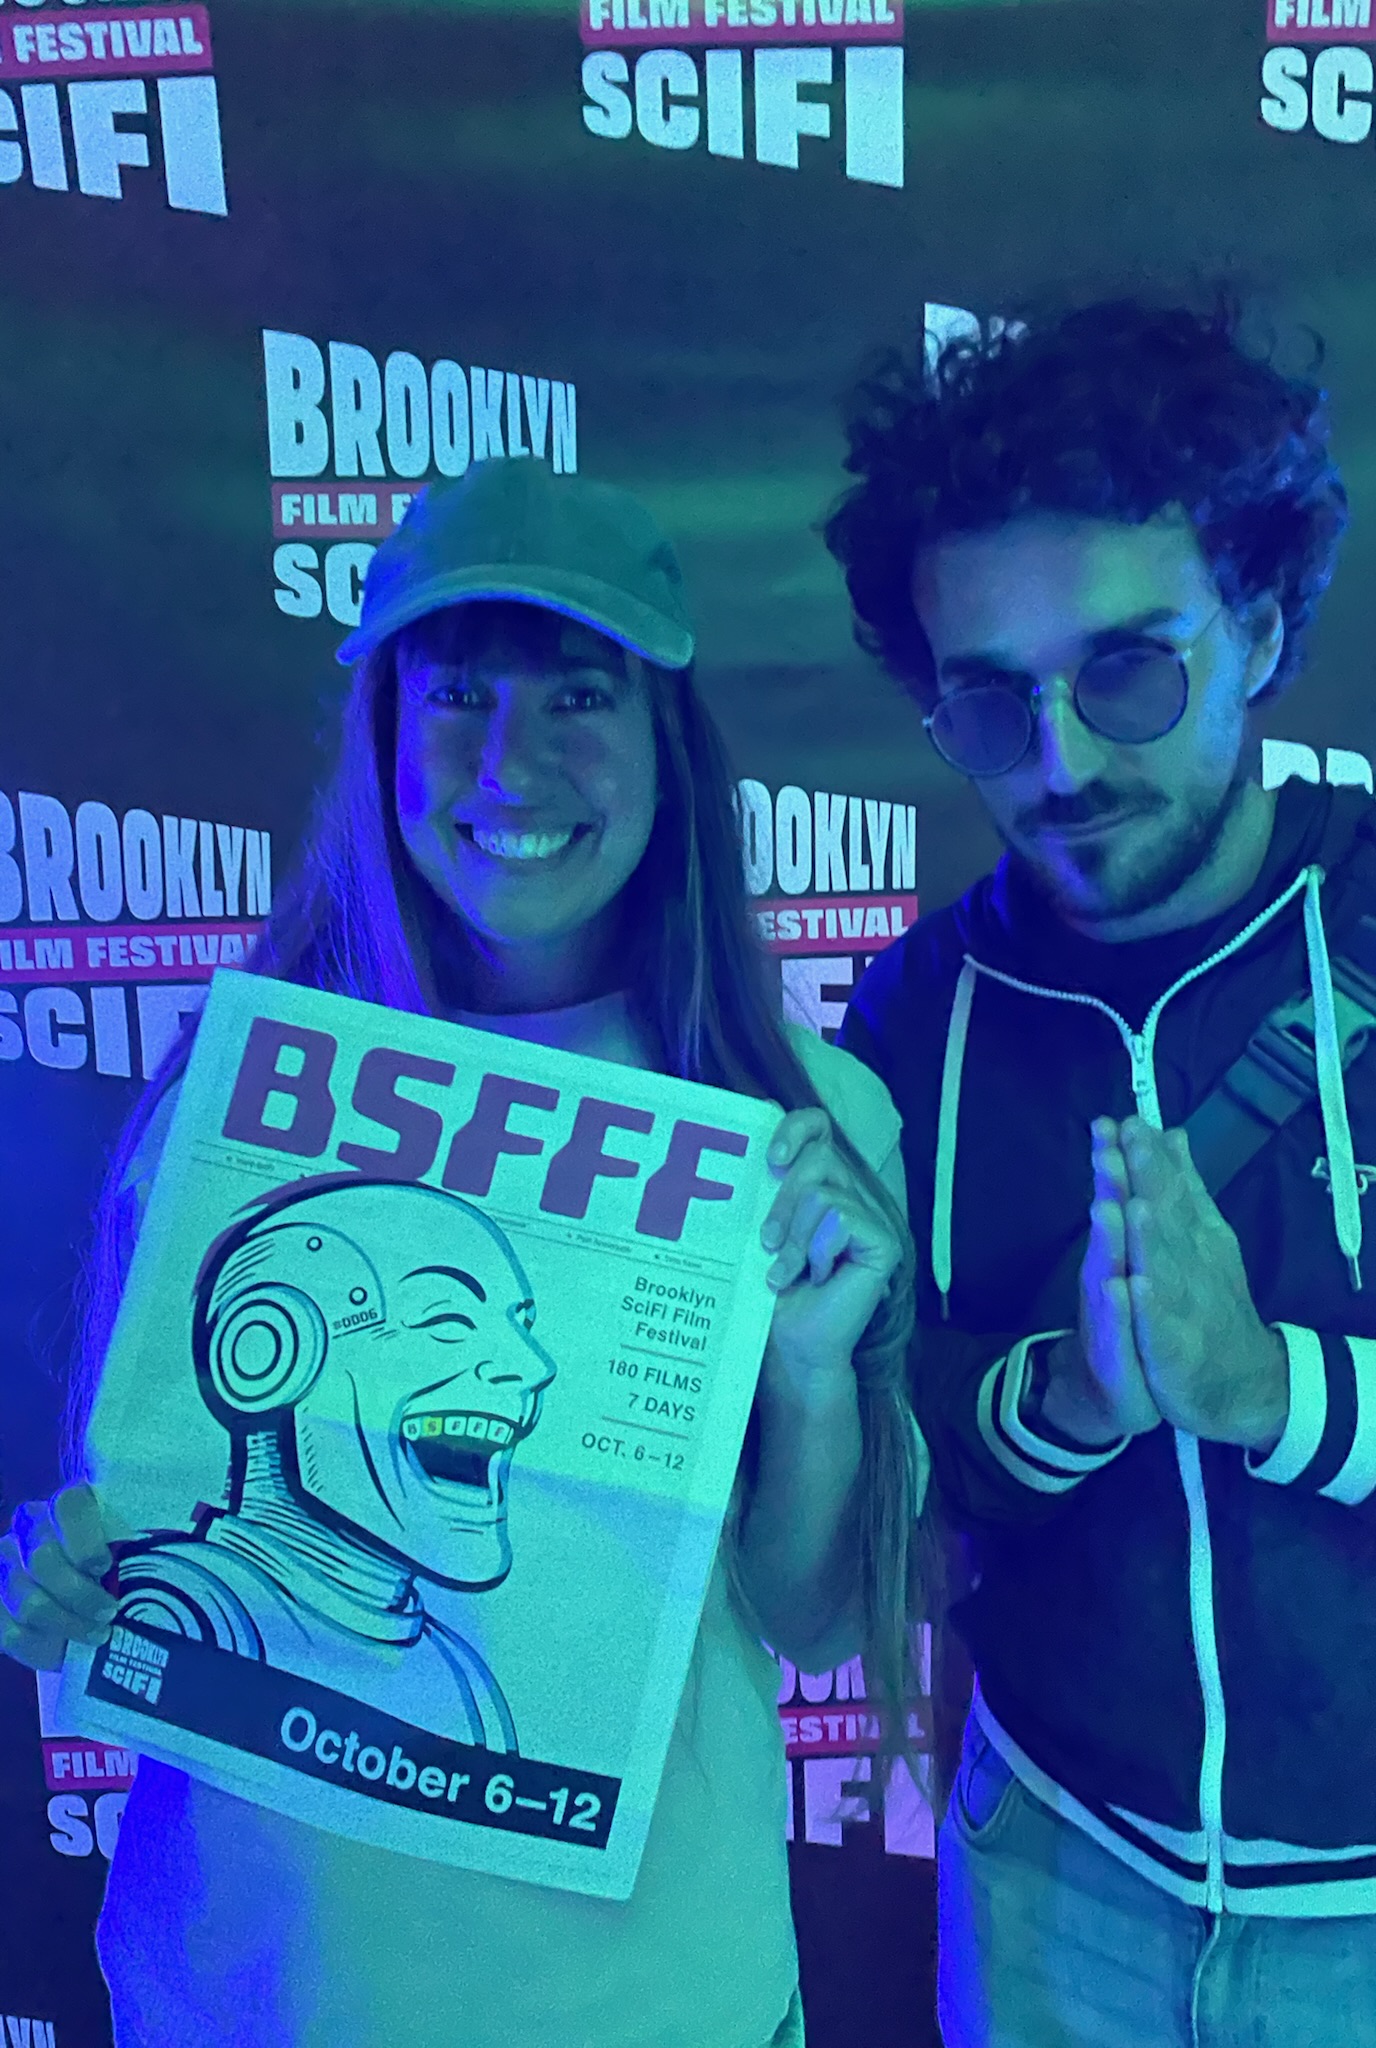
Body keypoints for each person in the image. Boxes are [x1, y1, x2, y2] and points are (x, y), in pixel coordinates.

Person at [0, 455, 926, 2048]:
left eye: (580, 696)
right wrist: (57, 1571)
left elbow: (818, 1620)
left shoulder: (804, 1126)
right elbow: (124, 1504)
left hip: (654, 2005)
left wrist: (811, 1372)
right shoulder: (237, 1101)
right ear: (383, 732)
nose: (514, 762)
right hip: (257, 1991)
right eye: (457, 696)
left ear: (666, 744)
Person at [823, 294, 1376, 2047]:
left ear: (1261, 622)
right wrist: (1064, 1397)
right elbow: (900, 1446)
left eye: (1129, 671)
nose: (1065, 762)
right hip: (1050, 1884)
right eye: (990, 706)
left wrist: (1274, 1389)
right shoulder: (917, 1006)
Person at [111, 1176, 559, 1746]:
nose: (534, 1366)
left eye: (521, 1325)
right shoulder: (183, 1608)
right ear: (265, 1352)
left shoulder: (463, 1681)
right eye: (446, 1321)